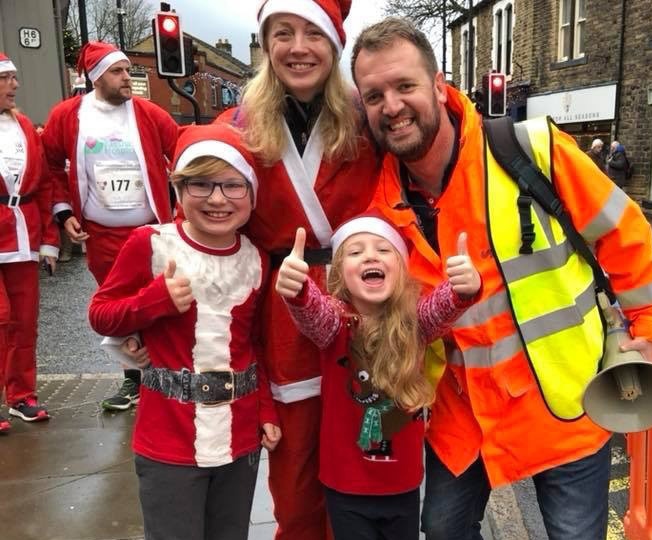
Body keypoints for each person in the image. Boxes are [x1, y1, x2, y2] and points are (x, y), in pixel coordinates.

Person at [351, 18, 652, 539]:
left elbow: (624, 232)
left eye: (404, 85)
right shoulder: (381, 212)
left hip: (561, 403)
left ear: (437, 85)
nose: (391, 106)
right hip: (464, 417)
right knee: (444, 530)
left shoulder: (530, 149)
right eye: (374, 95)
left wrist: (647, 333)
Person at [215, 1, 381, 537]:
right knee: (294, 470)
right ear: (266, 46)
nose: (298, 47)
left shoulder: (367, 119)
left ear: (335, 44)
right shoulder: (236, 125)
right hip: (281, 310)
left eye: (313, 33)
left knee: (368, 452)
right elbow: (202, 224)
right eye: (282, 33)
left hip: (361, 303)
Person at [88, 123, 281, 540]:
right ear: (178, 189)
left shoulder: (258, 260)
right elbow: (101, 314)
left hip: (238, 436)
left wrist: (266, 410)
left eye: (232, 185)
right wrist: (154, 302)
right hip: (168, 439)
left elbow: (256, 345)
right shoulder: (151, 244)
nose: (216, 199)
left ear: (251, 194)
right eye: (200, 184)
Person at [275, 213, 480, 540]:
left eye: (384, 250)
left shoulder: (415, 324)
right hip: (346, 487)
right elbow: (312, 312)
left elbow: (442, 307)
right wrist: (297, 289)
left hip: (404, 485)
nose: (370, 255)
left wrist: (462, 289)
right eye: (355, 252)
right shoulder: (335, 325)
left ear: (402, 269)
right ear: (341, 274)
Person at [42, 41, 178, 412]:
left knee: (159, 303)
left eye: (128, 70)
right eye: (118, 71)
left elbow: (182, 149)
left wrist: (185, 207)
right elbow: (51, 163)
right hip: (101, 234)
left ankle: (163, 377)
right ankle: (133, 381)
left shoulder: (148, 114)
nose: (127, 78)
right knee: (119, 308)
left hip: (150, 230)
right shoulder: (69, 116)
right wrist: (63, 212)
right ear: (96, 76)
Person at [0, 52, 59, 428]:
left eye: (14, 78)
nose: (14, 85)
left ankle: (21, 395)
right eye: (5, 78)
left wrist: (50, 240)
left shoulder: (22, 125)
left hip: (23, 235)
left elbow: (45, 186)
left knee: (24, 321)